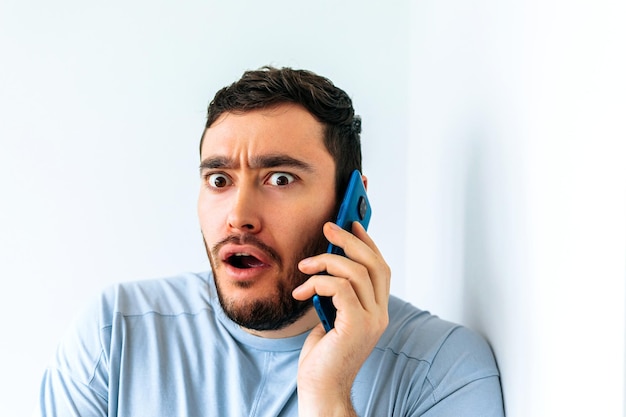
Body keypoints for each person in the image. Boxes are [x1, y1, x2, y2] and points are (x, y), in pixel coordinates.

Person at [36, 66, 505, 416]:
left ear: (350, 204)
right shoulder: (116, 334)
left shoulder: (442, 369)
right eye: (219, 180)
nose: (239, 217)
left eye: (280, 178)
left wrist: (330, 396)